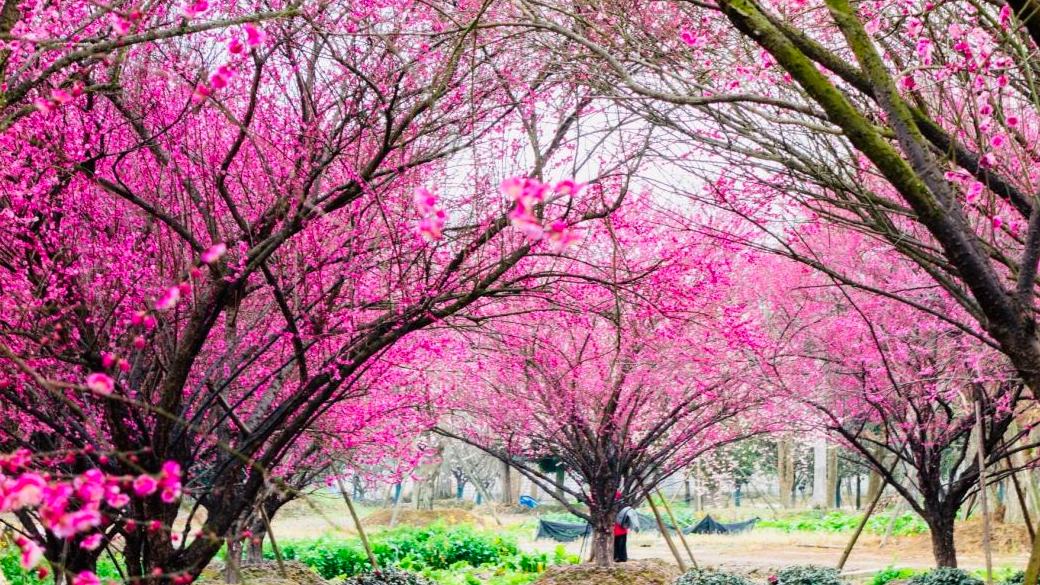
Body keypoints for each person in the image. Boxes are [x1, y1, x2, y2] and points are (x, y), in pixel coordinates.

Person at [613, 492, 639, 562]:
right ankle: (622, 558)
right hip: (622, 527)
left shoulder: (609, 497)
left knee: (616, 545)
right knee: (621, 545)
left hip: (617, 528)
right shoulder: (621, 496)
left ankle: (617, 558)